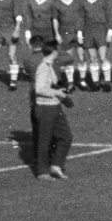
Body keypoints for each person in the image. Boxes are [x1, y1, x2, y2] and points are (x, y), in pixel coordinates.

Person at [31, 40, 74, 181]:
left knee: (66, 136)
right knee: (45, 140)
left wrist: (58, 90)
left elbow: (47, 86)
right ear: (54, 51)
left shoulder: (49, 66)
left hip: (54, 107)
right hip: (45, 109)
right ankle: (42, 171)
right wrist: (56, 93)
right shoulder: (43, 67)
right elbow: (39, 89)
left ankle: (56, 165)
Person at [79, 0, 112, 91]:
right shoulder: (83, 1)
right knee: (93, 58)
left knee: (103, 57)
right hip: (88, 32)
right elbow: (80, 18)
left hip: (101, 31)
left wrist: (110, 32)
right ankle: (96, 83)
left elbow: (110, 16)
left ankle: (107, 83)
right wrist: (80, 33)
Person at [21, 0, 58, 80]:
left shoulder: (52, 0)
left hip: (49, 34)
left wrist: (57, 33)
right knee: (34, 56)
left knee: (50, 56)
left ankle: (50, 77)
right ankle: (33, 74)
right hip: (36, 34)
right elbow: (28, 17)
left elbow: (55, 17)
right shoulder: (30, 1)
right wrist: (28, 33)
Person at [54, 0, 88, 92]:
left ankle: (82, 81)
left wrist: (80, 31)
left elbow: (82, 17)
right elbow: (55, 19)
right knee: (69, 59)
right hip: (65, 33)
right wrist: (57, 33)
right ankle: (70, 84)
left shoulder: (78, 0)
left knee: (81, 57)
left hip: (78, 33)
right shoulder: (56, 2)